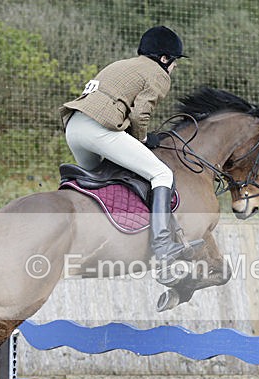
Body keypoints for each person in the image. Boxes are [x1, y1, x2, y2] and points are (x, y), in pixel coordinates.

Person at [60, 26, 199, 274]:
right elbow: (140, 114)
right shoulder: (158, 73)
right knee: (162, 175)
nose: (175, 67)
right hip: (98, 129)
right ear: (164, 59)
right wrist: (143, 139)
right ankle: (163, 245)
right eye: (174, 61)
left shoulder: (121, 64)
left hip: (74, 127)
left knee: (106, 177)